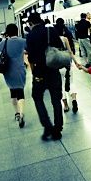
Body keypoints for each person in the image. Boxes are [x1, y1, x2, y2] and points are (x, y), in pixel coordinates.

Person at [24, 12, 66, 140]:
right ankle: (58, 129)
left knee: (37, 97)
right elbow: (61, 47)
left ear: (31, 23)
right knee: (56, 99)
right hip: (53, 70)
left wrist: (34, 73)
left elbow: (30, 57)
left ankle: (47, 126)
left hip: (39, 72)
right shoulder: (50, 30)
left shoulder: (30, 35)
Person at [0, 23, 29, 128]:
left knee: (13, 92)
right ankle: (22, 114)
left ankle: (17, 113)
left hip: (8, 71)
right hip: (20, 70)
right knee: (20, 92)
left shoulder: (4, 42)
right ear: (17, 31)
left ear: (7, 32)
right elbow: (29, 50)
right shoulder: (23, 41)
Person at [55, 18, 79, 113]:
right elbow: (70, 52)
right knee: (71, 82)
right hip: (67, 63)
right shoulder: (65, 39)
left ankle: (65, 105)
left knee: (61, 84)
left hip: (58, 64)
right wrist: (76, 62)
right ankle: (74, 99)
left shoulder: (53, 40)